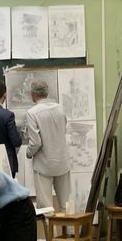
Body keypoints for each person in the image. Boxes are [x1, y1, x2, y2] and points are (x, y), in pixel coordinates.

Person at [25, 80, 71, 211]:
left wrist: (28, 153)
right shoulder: (60, 108)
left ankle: (50, 232)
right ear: (47, 92)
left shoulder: (32, 113)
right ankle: (69, 231)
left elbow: (36, 142)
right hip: (62, 162)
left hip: (43, 164)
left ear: (33, 94)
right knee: (66, 204)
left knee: (46, 207)